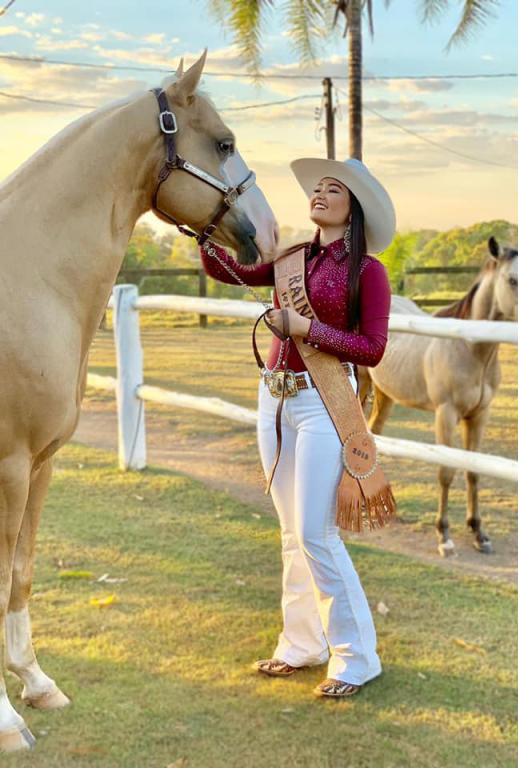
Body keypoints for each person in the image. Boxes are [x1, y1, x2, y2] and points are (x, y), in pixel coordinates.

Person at [200, 157, 395, 698]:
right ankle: (301, 644)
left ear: (353, 208)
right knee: (291, 533)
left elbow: (372, 349)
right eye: (317, 188)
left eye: (333, 190)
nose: (319, 194)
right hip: (275, 400)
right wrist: (206, 227)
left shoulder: (368, 272)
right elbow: (229, 271)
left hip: (323, 403)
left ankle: (357, 658)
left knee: (315, 533)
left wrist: (307, 327)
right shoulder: (291, 260)